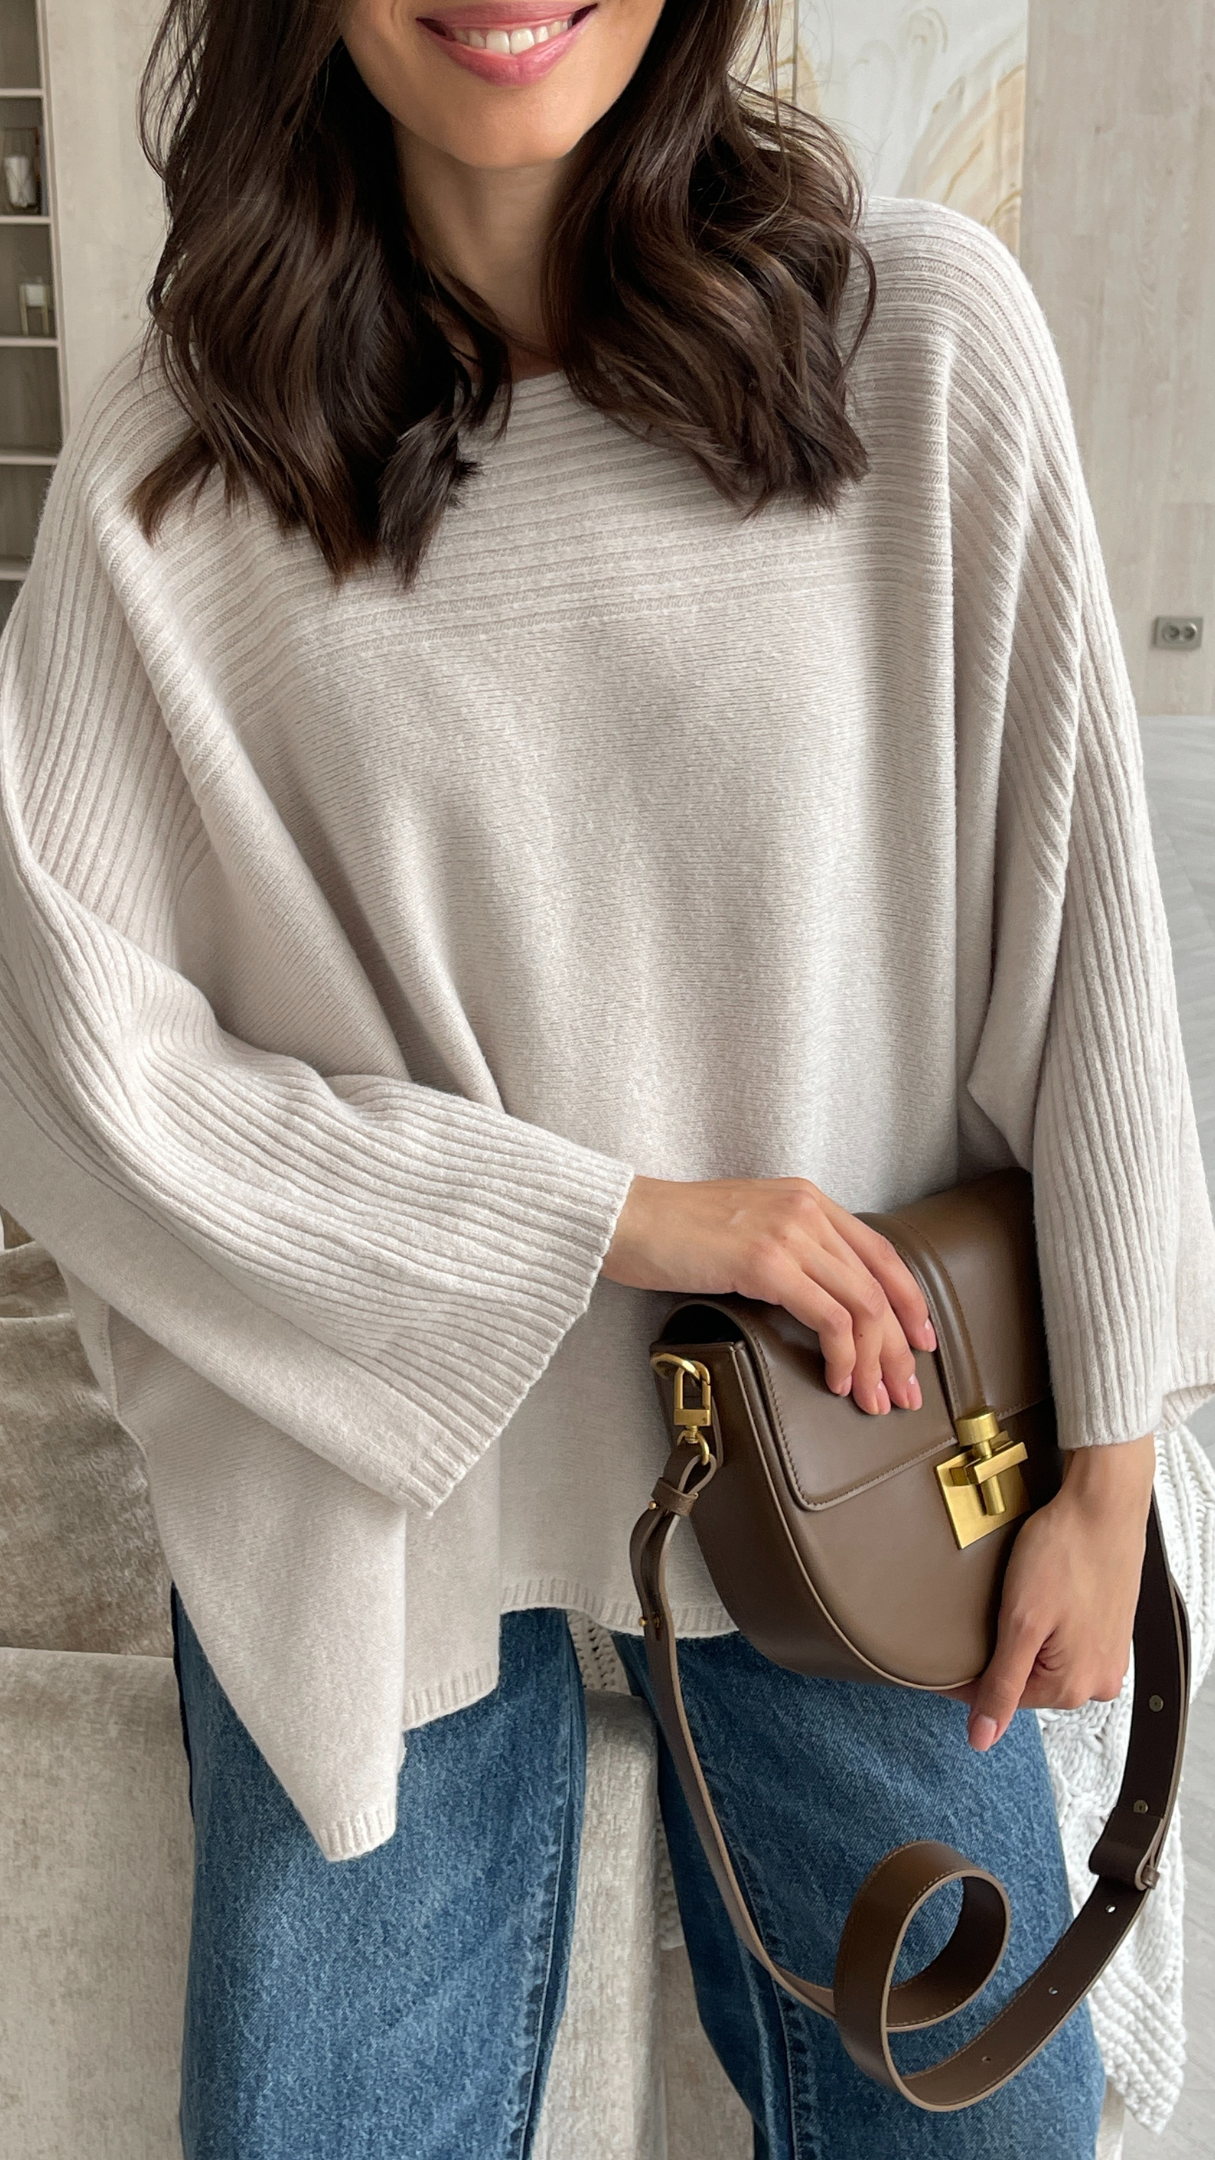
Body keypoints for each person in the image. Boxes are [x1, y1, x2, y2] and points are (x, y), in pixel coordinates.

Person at [0, 0, 1212, 2153]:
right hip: (376, 1500)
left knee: (981, 2136)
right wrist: (614, 1222)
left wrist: (1109, 1479)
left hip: (858, 1452)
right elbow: (77, 1068)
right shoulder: (176, 475)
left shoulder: (912, 340)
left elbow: (1085, 940)